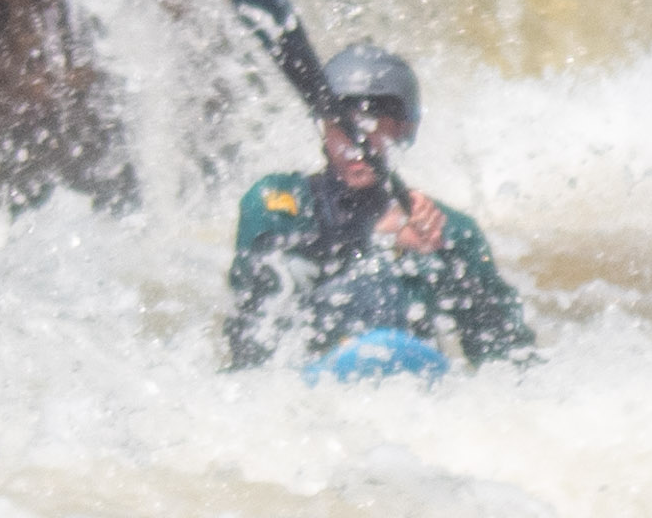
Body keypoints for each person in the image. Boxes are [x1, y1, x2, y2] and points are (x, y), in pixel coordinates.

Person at [224, 43, 532, 372]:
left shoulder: (447, 229)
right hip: (293, 374)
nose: (356, 143)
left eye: (372, 124)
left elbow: (507, 354)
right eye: (342, 125)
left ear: (403, 130)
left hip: (404, 379)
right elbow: (256, 297)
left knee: (389, 282)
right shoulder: (277, 201)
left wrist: (445, 255)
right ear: (323, 128)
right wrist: (378, 237)